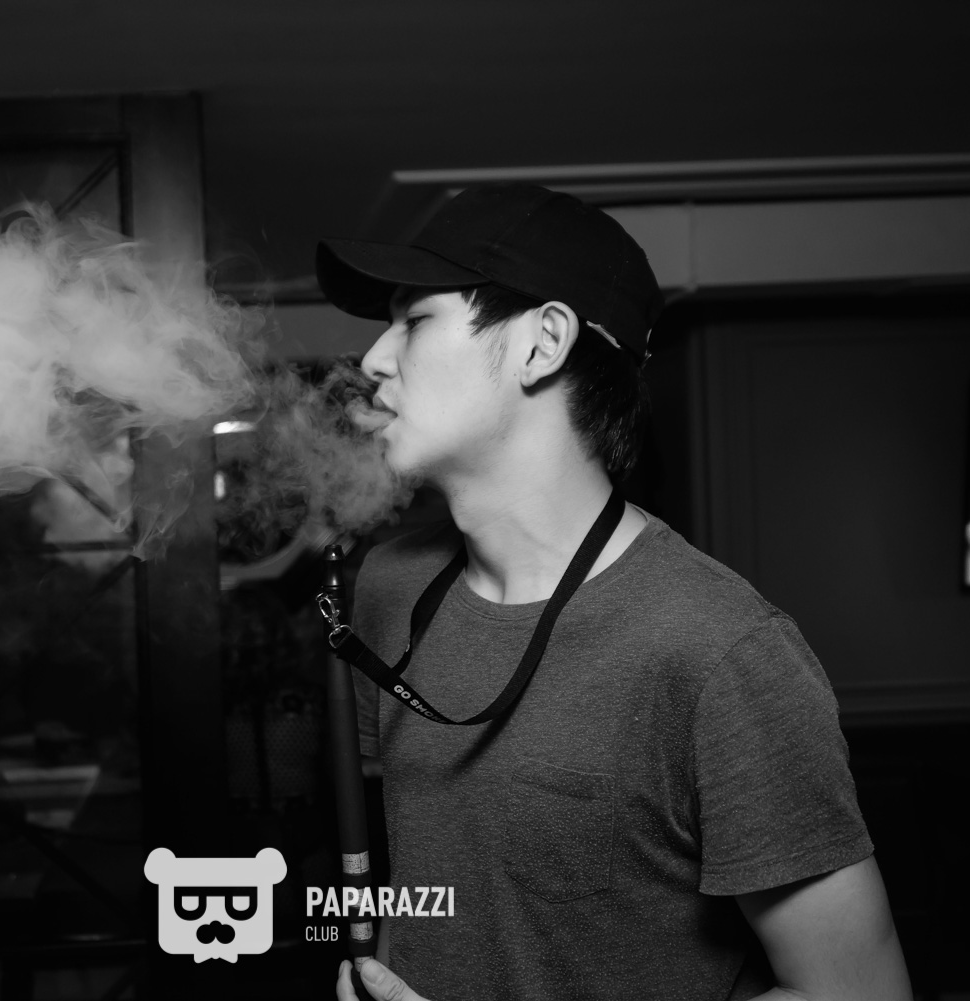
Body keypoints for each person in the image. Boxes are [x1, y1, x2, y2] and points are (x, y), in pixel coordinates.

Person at [315, 184, 911, 1001]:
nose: (375, 359)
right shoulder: (389, 584)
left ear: (542, 342)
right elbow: (426, 869)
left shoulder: (721, 650)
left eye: (414, 320)